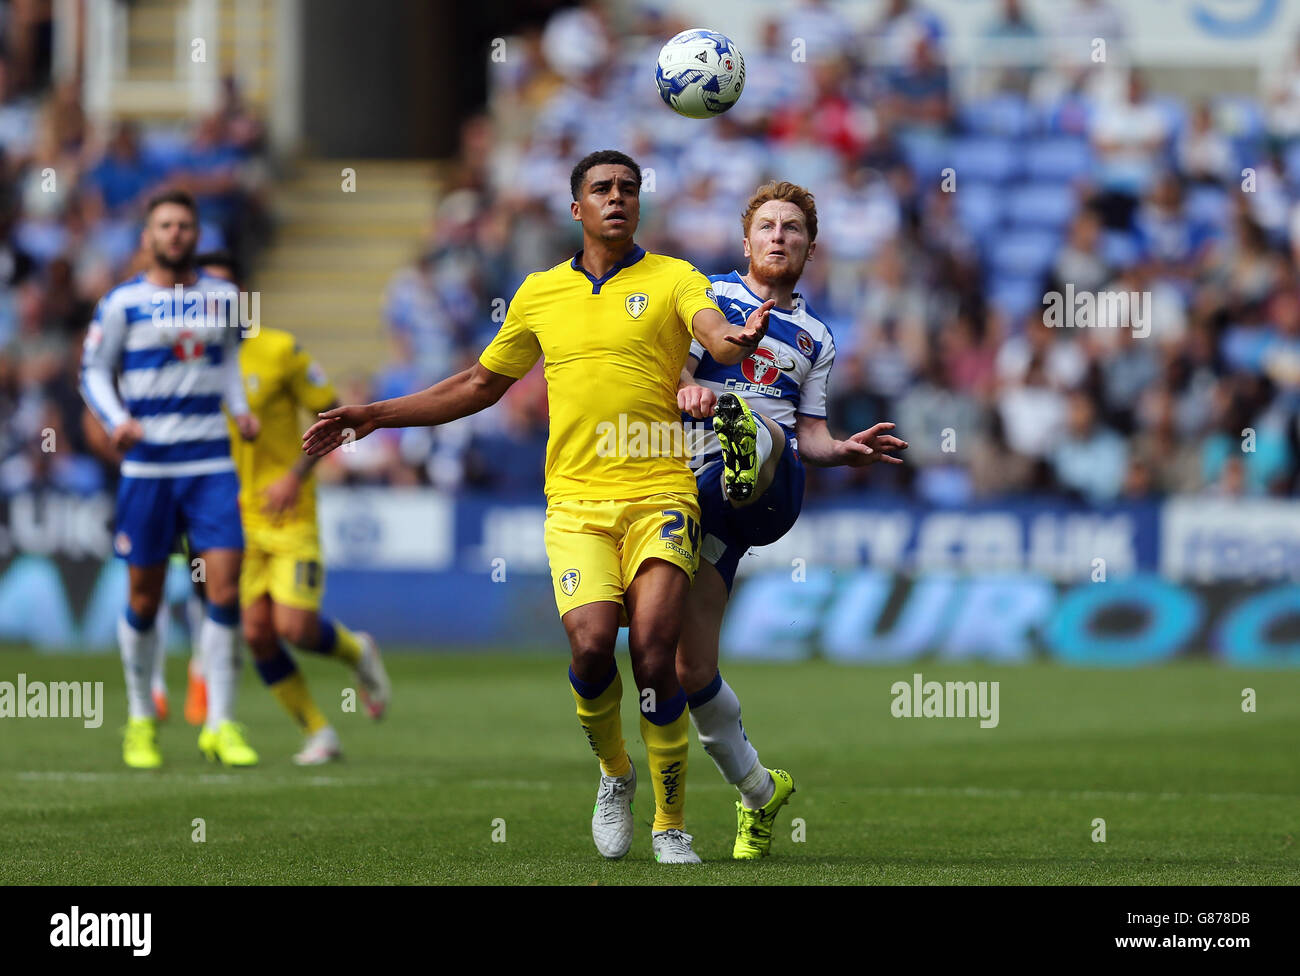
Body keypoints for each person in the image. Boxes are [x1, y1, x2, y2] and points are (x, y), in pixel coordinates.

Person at [304, 149, 769, 863]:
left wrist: (734, 342)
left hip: (660, 495)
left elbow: (713, 333)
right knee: (589, 649)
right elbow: (478, 384)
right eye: (601, 189)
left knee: (652, 655)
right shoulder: (539, 293)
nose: (617, 197)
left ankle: (670, 823)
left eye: (628, 189)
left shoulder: (676, 278)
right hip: (577, 504)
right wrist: (377, 413)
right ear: (576, 208)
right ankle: (615, 773)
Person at [676, 181, 907, 857]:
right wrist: (684, 387)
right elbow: (665, 376)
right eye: (768, 227)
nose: (779, 236)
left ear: (811, 246)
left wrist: (840, 450)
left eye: (794, 229)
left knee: (756, 427)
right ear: (745, 241)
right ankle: (758, 790)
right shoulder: (706, 300)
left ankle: (742, 444)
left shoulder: (816, 337)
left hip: (771, 487)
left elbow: (810, 432)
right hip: (693, 495)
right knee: (688, 669)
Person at [79, 189, 260, 768]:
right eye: (165, 225)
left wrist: (241, 408)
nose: (176, 234)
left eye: (184, 225)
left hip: (210, 464)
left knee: (225, 590)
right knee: (144, 595)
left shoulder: (227, 299)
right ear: (147, 238)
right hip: (148, 466)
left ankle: (221, 725)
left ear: (197, 234)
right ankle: (140, 718)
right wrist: (116, 420)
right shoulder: (121, 304)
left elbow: (228, 360)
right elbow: (93, 372)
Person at [196, 250, 391, 765]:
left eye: (223, 289)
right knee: (257, 634)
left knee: (295, 628)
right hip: (233, 520)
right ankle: (319, 733)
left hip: (289, 512)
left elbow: (331, 417)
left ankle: (358, 652)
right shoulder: (196, 362)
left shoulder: (279, 350)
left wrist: (294, 474)